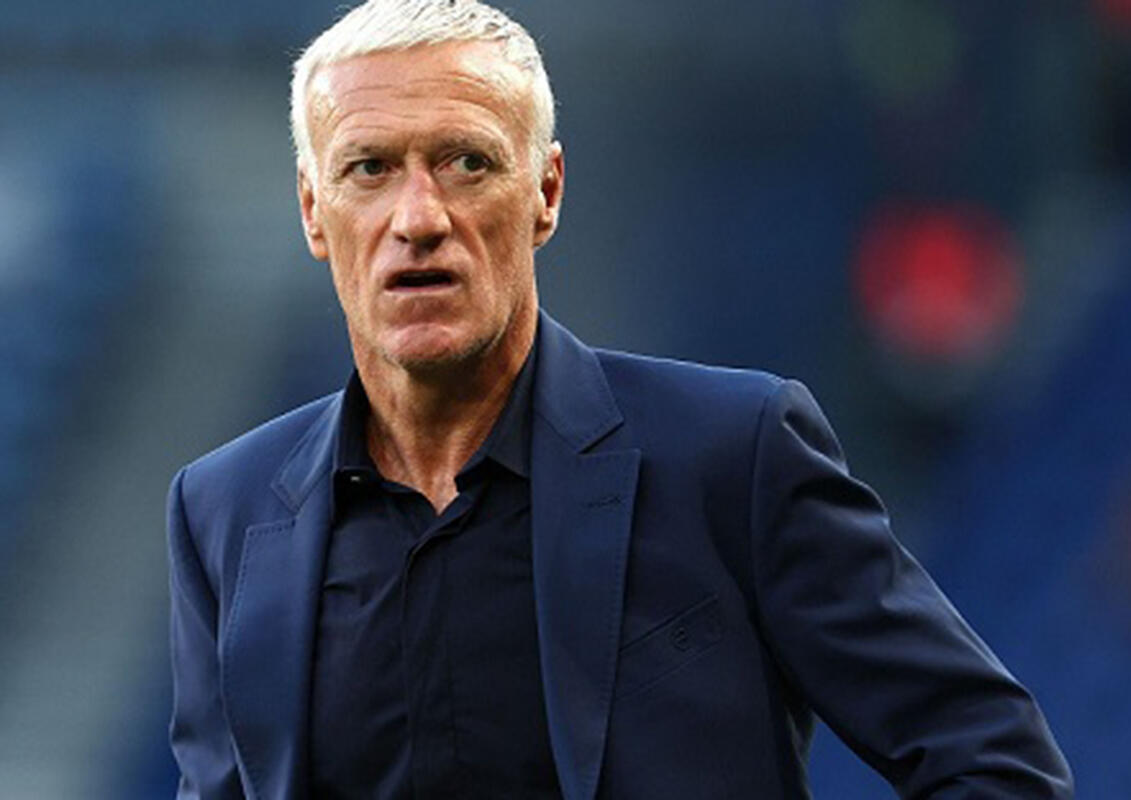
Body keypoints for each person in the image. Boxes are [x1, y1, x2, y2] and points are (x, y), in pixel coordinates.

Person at [166, 1, 1073, 797]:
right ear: (313, 210)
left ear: (546, 192)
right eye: (369, 169)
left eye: (467, 163)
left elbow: (991, 760)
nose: (419, 218)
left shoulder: (734, 455)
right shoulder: (224, 513)